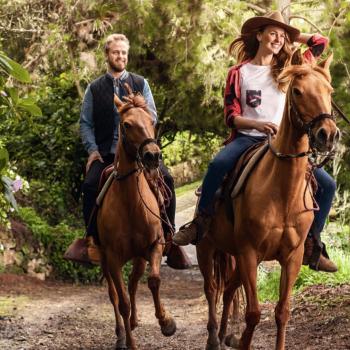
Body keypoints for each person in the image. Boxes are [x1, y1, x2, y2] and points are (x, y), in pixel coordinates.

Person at [173, 11, 337, 273]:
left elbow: (320, 42)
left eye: (282, 36)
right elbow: (231, 117)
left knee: (328, 185)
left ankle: (312, 243)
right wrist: (258, 125)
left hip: (283, 144)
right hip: (248, 139)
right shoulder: (239, 73)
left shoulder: (288, 70)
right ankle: (200, 223)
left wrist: (293, 35)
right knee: (217, 165)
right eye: (272, 33)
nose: (277, 39)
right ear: (259, 35)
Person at [71, 33, 191, 269]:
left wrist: (140, 108)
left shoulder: (140, 83)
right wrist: (92, 150)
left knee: (166, 178)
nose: (120, 56)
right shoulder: (94, 89)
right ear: (107, 55)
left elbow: (153, 116)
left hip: (139, 152)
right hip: (107, 153)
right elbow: (85, 123)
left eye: (124, 52)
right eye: (116, 52)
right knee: (89, 184)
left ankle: (169, 237)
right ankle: (92, 241)